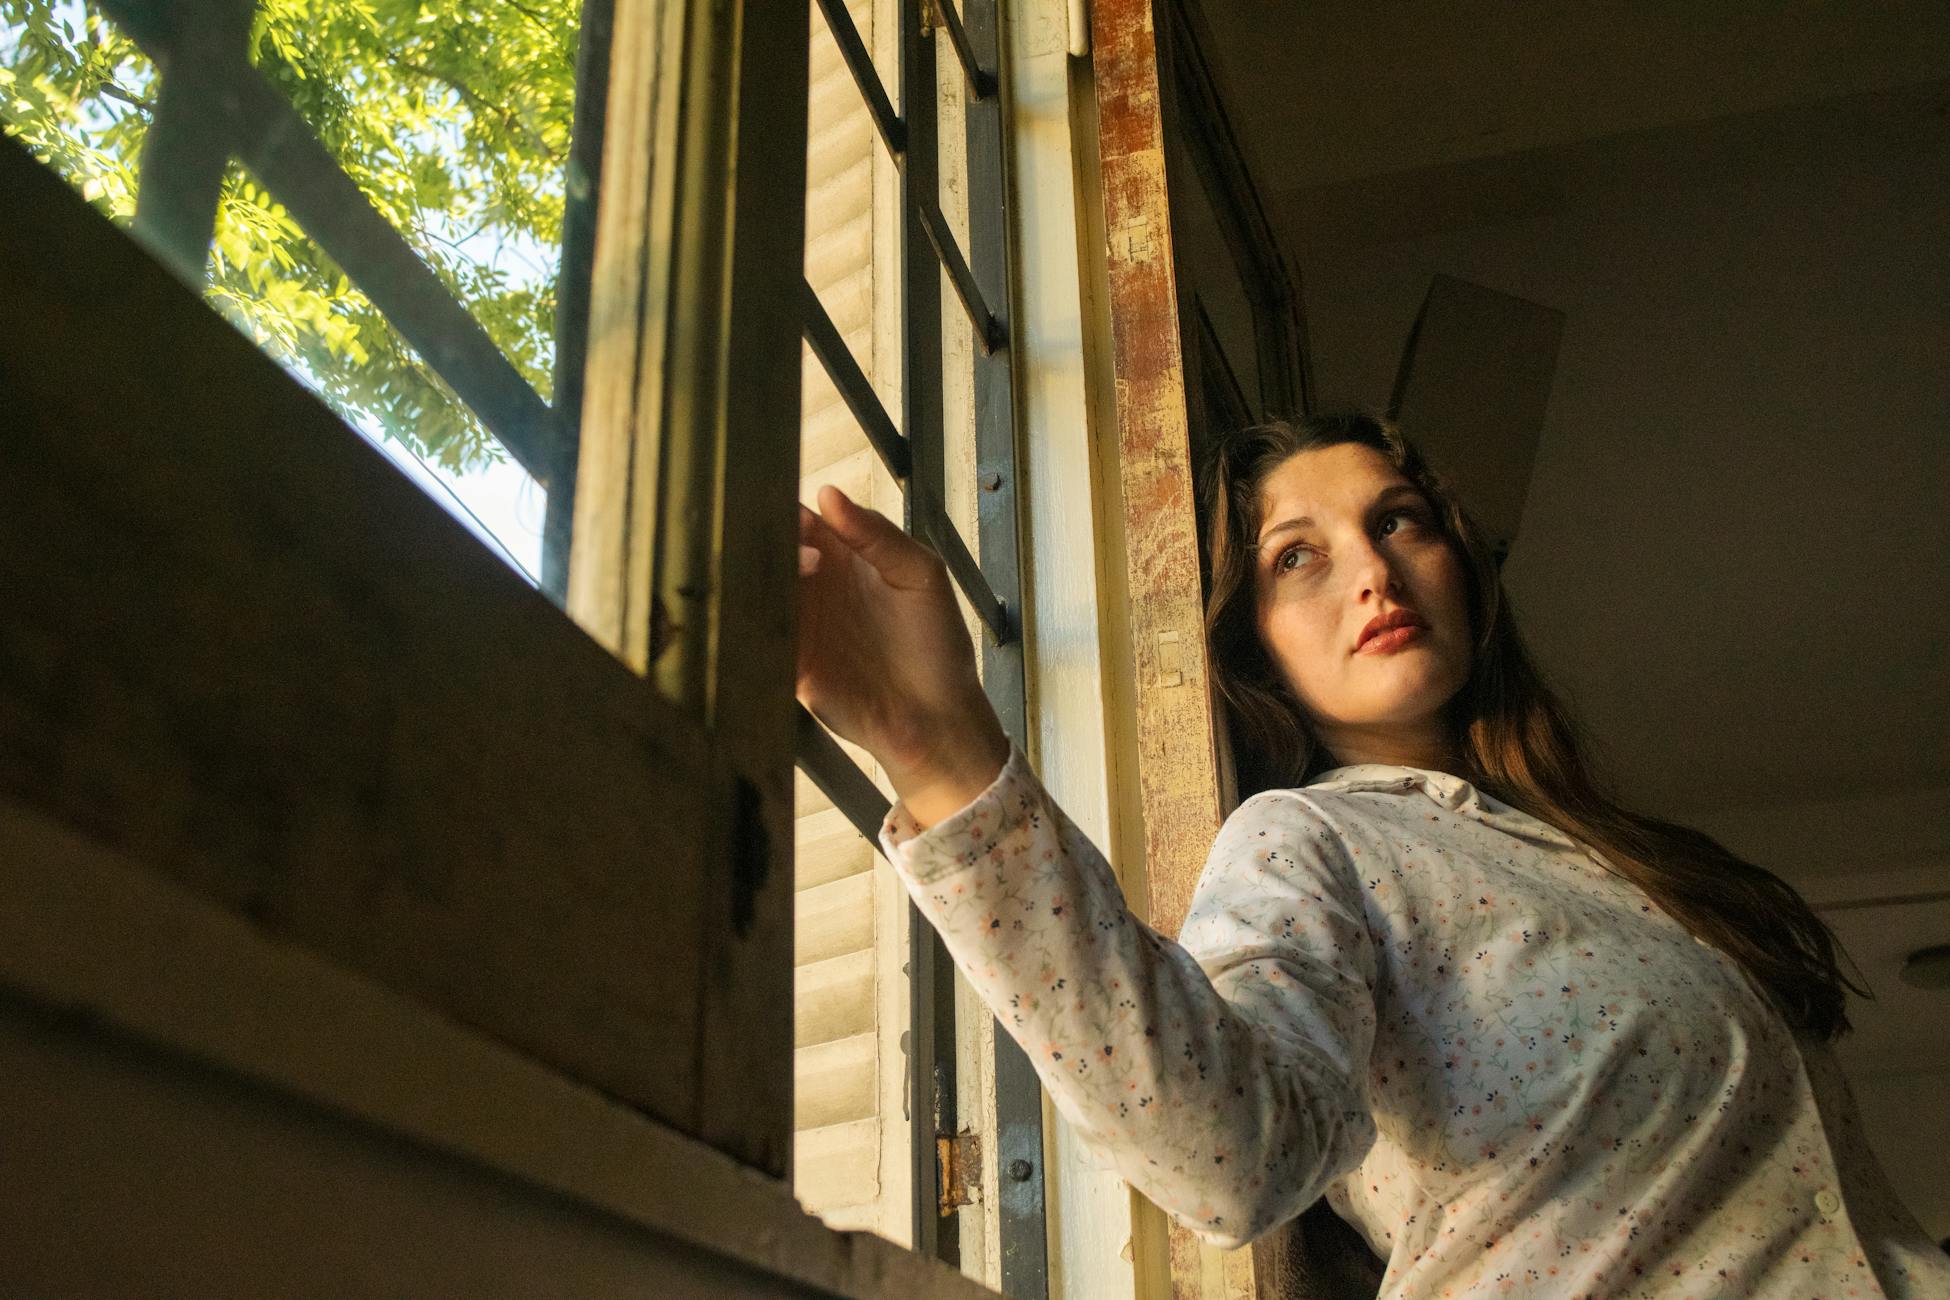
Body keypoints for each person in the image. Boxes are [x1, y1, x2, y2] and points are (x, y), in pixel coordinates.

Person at [794, 412, 1950, 1298]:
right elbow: (1229, 1153)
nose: (1373, 571)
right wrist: (941, 751)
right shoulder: (1307, 842)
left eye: (1399, 519)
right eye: (1297, 556)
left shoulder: (1618, 862)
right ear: (1255, 639)